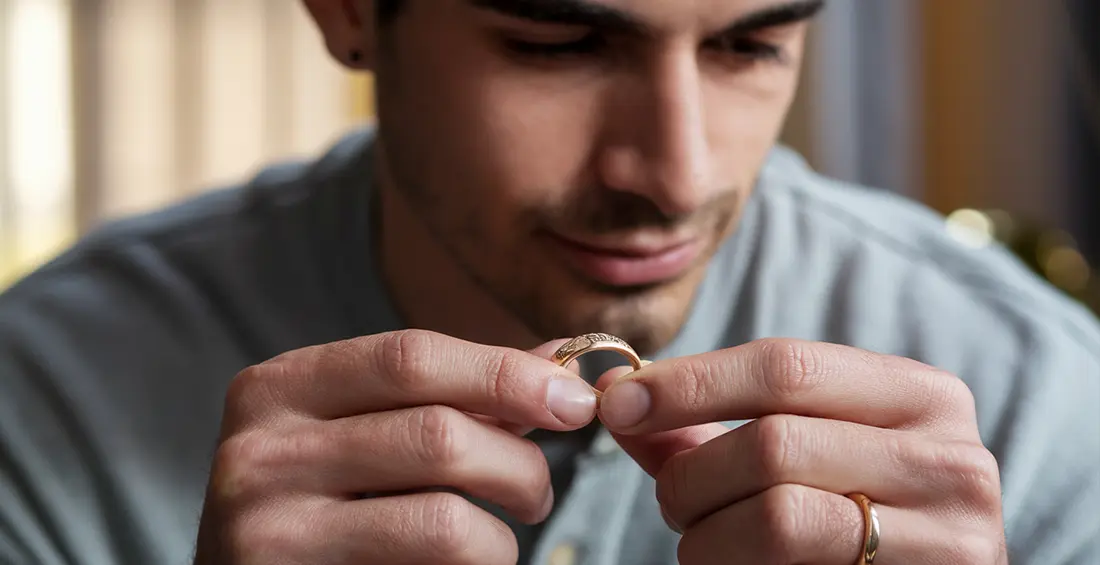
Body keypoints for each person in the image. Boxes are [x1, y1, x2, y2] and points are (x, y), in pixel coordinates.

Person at [1, 0, 1097, 563]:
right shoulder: (41, 398)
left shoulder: (1040, 400)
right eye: (558, 42)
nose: (678, 173)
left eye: (749, 45)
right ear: (345, 9)